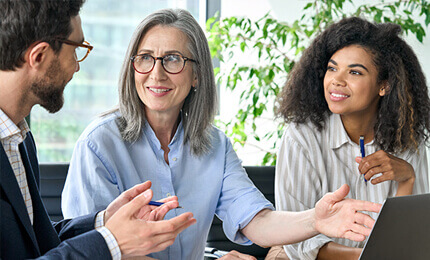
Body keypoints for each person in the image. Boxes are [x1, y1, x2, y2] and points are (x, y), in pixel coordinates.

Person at [61, 9, 382, 260]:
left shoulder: (215, 145)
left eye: (173, 59)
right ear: (132, 68)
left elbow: (257, 221)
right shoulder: (98, 144)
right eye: (145, 58)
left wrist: (316, 220)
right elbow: (97, 251)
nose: (156, 73)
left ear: (197, 75)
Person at [0, 1, 197, 259]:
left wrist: (104, 221)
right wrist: (111, 242)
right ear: (39, 56)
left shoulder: (19, 140)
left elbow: (38, 245)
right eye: (76, 49)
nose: (77, 66)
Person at [269, 16, 430, 260]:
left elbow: (412, 237)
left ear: (384, 85)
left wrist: (406, 177)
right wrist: (367, 257)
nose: (336, 80)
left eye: (354, 72)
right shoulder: (301, 137)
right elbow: (296, 242)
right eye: (332, 68)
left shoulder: (406, 137)